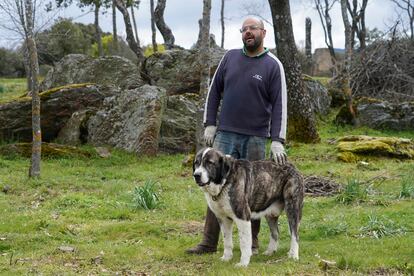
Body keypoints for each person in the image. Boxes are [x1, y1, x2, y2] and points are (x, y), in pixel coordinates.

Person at [186, 17, 288, 255]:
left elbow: (280, 105)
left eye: (253, 29)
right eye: (244, 30)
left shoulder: (273, 65)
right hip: (225, 135)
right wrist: (210, 124)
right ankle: (209, 242)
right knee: (213, 186)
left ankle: (250, 243)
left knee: (252, 190)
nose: (248, 32)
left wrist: (277, 140)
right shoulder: (229, 57)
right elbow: (213, 93)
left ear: (263, 32)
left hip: (255, 138)